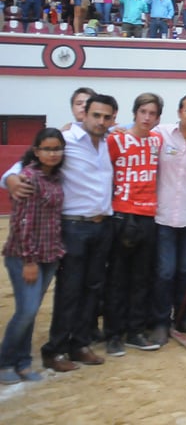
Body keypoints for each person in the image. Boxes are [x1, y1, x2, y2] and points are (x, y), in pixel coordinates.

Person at [4, 94, 118, 372]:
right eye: (96, 115)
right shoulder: (65, 141)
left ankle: (79, 344)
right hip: (73, 226)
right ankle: (55, 349)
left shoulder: (108, 141)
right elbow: (20, 167)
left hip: (103, 226)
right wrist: (10, 179)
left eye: (107, 117)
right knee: (70, 290)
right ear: (85, 114)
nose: (101, 121)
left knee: (92, 289)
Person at [0, 129, 66, 384]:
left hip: (50, 253)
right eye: (47, 149)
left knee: (31, 309)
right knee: (26, 310)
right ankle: (6, 360)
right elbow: (22, 222)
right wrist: (29, 260)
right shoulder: (28, 177)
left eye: (57, 149)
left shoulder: (57, 177)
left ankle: (23, 362)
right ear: (37, 151)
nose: (53, 154)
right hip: (25, 256)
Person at [105, 93, 164, 355]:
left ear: (158, 118)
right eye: (143, 112)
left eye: (152, 113)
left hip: (148, 215)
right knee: (117, 278)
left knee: (142, 277)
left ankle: (135, 331)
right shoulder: (115, 139)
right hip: (121, 214)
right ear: (135, 113)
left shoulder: (157, 141)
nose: (147, 117)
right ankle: (113, 334)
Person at [151, 94, 186, 345]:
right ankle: (160, 321)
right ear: (179, 111)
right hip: (161, 216)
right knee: (164, 272)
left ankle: (183, 316)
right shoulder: (161, 134)